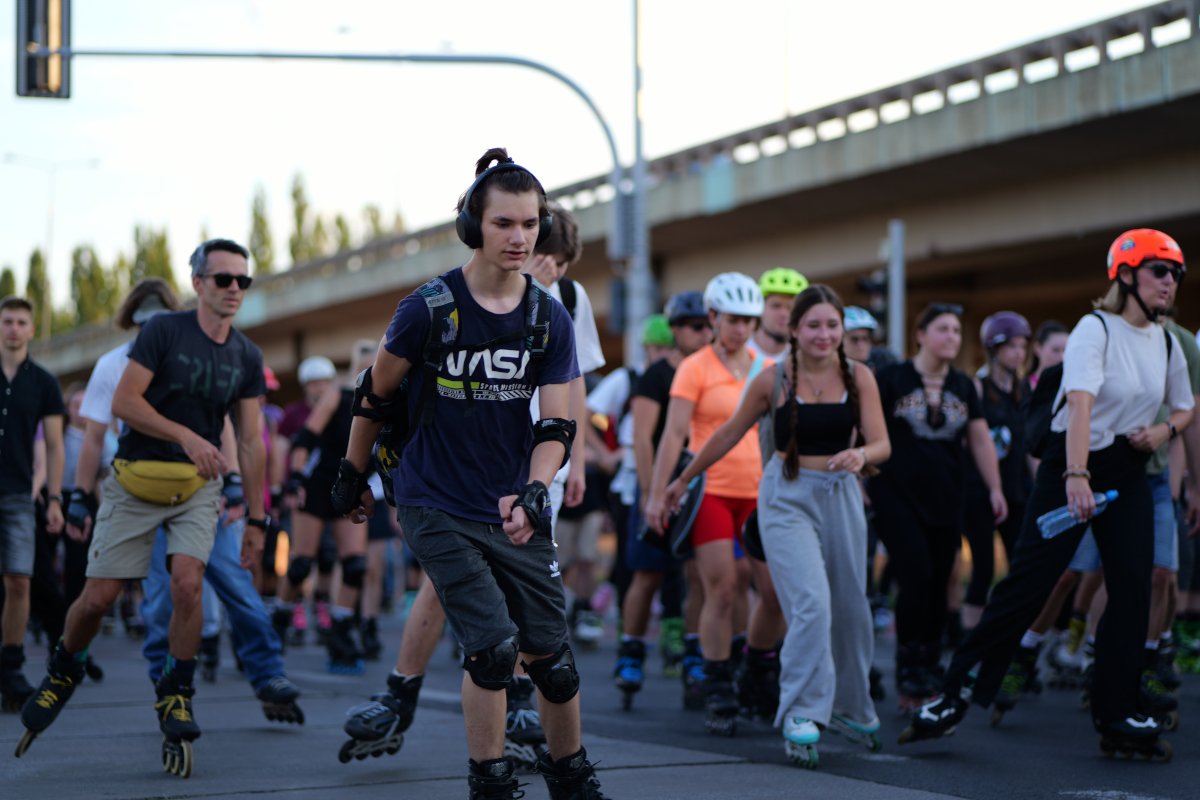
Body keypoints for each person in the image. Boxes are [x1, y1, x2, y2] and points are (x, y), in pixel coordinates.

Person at [334, 148, 608, 799]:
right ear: (472, 227)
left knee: (553, 663)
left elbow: (558, 426)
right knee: (490, 648)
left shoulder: (549, 316)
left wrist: (539, 487)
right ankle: (489, 783)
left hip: (515, 500)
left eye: (530, 223)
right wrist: (352, 471)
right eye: (504, 223)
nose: (519, 237)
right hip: (434, 499)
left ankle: (571, 780)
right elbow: (374, 396)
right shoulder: (427, 309)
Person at [903, 229, 1192, 761]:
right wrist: (1076, 477)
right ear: (1126, 275)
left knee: (1131, 589)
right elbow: (1079, 404)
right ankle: (951, 696)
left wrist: (1163, 433)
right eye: (1160, 270)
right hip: (1071, 463)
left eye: (1176, 272)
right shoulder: (1094, 328)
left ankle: (1117, 712)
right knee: (1028, 586)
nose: (1170, 281)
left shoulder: (1166, 340)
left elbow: (1185, 405)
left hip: (1126, 469)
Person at [16, 239, 268, 779]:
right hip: (134, 483)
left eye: (242, 281)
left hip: (197, 490)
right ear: (198, 283)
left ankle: (176, 690)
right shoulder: (162, 332)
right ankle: (65, 667)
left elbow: (250, 442)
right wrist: (185, 438)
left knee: (187, 585)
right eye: (222, 279)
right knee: (98, 597)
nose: (233, 289)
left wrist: (258, 517)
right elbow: (125, 404)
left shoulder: (246, 355)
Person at [663, 284, 890, 766]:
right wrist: (682, 479)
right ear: (793, 330)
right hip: (787, 497)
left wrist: (862, 454)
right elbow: (727, 432)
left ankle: (852, 707)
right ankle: (802, 711)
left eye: (832, 325)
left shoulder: (861, 377)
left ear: (842, 330)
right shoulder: (773, 380)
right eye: (813, 325)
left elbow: (882, 444)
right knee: (811, 603)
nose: (823, 334)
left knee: (851, 606)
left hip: (841, 495)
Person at [646, 272, 786, 737]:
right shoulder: (695, 367)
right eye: (731, 319)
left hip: (761, 493)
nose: (740, 328)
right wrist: (658, 491)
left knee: (774, 593)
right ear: (713, 318)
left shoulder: (769, 364)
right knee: (723, 589)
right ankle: (718, 683)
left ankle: (759, 671)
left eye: (748, 320)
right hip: (711, 492)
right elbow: (672, 434)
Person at [868, 302, 1008, 712]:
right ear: (921, 335)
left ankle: (929, 661)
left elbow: (980, 440)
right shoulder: (891, 378)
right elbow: (865, 428)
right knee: (917, 573)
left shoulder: (965, 385)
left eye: (956, 331)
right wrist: (861, 474)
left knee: (940, 576)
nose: (952, 337)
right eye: (943, 329)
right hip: (895, 493)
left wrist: (995, 487)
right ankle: (909, 663)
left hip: (948, 495)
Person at [617, 297, 712, 708]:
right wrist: (649, 490)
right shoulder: (657, 375)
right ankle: (631, 650)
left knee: (699, 576)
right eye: (692, 325)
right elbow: (642, 438)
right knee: (648, 574)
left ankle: (694, 652)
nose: (702, 332)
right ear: (674, 329)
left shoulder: (714, 371)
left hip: (701, 487)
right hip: (659, 485)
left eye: (708, 324)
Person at [275, 342, 372, 675]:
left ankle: (341, 632)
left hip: (352, 486)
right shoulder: (340, 395)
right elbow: (304, 439)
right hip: (318, 485)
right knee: (301, 565)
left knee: (356, 566)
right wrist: (295, 480)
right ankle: (278, 624)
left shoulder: (389, 401)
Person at [0, 297, 65, 713]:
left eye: (22, 322)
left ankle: (11, 665)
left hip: (20, 495)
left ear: (31, 329)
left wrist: (56, 498)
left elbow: (56, 446)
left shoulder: (44, 381)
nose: (14, 328)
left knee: (19, 580)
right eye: (7, 321)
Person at [961, 313, 1032, 633]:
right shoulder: (977, 387)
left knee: (1021, 568)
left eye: (1022, 346)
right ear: (993, 349)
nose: (1019, 352)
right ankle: (970, 640)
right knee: (984, 568)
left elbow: (1029, 447)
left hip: (1016, 490)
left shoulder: (1022, 390)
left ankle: (1007, 638)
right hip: (979, 492)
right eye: (1011, 346)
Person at [273, 355, 337, 647]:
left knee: (328, 555)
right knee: (300, 559)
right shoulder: (294, 413)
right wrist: (281, 488)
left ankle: (322, 606)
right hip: (301, 492)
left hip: (332, 491)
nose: (319, 388)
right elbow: (280, 452)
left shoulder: (338, 408)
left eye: (323, 382)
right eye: (313, 383)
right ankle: (292, 606)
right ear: (305, 385)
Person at [751, 268, 807, 359]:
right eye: (776, 306)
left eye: (790, 308)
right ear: (760, 308)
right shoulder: (739, 350)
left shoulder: (801, 359)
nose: (784, 314)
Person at [1028, 320, 1069, 388]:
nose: (1062, 357)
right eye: (1056, 350)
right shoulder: (1020, 389)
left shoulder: (1067, 387)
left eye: (1065, 351)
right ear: (1038, 348)